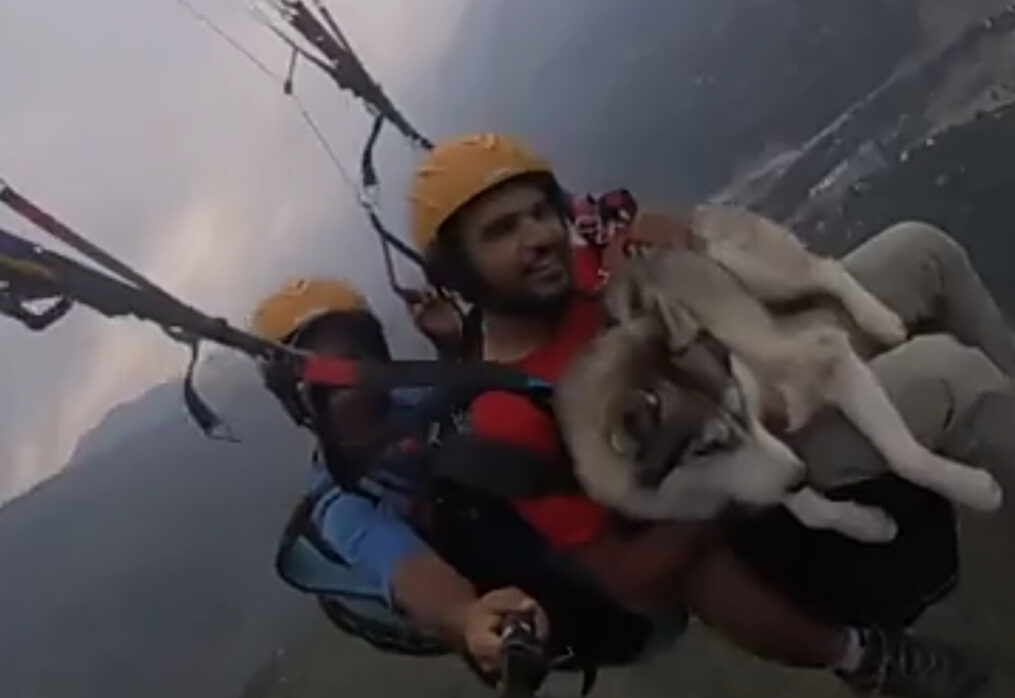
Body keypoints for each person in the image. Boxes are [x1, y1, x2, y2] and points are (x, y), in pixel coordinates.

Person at [406, 132, 1015, 697]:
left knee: (920, 251)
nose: (537, 236)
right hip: (764, 470)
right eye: (502, 231)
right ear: (458, 272)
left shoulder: (591, 263)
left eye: (541, 212)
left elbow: (703, 260)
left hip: (768, 358)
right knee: (947, 375)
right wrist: (727, 461)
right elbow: (631, 579)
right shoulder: (510, 412)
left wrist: (683, 241)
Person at [249, 277, 553, 674]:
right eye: (324, 380)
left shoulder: (413, 397)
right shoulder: (342, 501)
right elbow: (404, 567)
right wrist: (466, 616)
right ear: (299, 402)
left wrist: (454, 345)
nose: (348, 380)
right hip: (497, 566)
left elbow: (475, 397)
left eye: (355, 359)